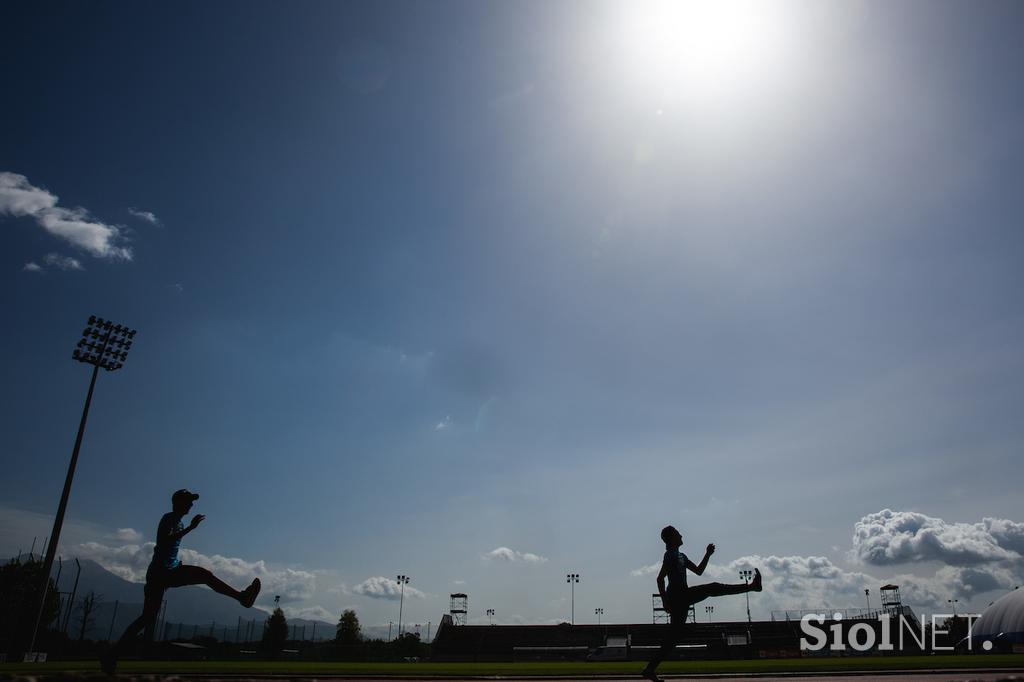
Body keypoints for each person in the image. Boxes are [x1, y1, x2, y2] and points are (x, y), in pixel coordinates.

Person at [102, 489, 260, 675]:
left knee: (148, 616)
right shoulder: (169, 519)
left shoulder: (177, 520)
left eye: (192, 502)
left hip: (165, 572)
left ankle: (112, 655)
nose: (191, 505)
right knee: (204, 576)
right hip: (163, 573)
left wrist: (187, 529)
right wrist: (190, 529)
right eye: (189, 502)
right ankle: (242, 597)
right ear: (178, 503)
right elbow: (163, 540)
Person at [642, 525, 762, 682]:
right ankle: (752, 587)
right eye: (679, 534)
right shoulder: (670, 555)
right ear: (672, 538)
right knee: (713, 588)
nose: (682, 536)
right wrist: (665, 601)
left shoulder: (681, 556)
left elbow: (699, 571)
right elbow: (660, 578)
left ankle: (649, 670)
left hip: (681, 598)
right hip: (678, 597)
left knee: (673, 638)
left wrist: (707, 555)